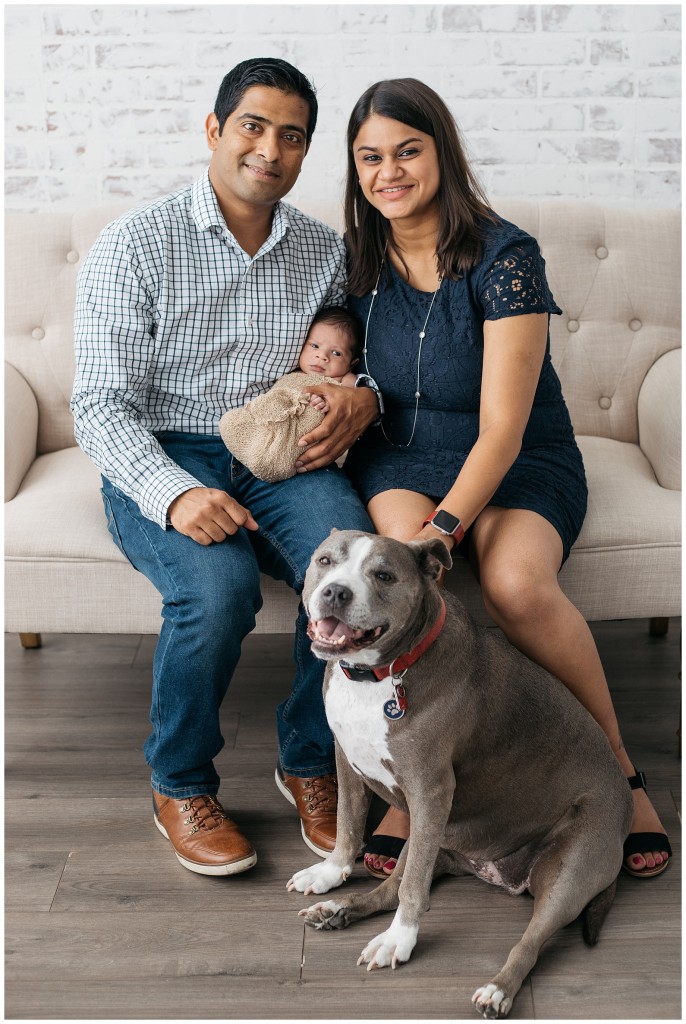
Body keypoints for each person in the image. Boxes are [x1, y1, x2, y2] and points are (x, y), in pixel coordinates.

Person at [294, 77, 671, 881]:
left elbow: (503, 425)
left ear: (442, 153)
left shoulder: (507, 259)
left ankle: (619, 770)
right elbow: (347, 365)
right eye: (369, 158)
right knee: (397, 581)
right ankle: (408, 782)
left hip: (521, 458)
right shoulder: (359, 260)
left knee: (514, 586)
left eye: (406, 151)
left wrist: (446, 529)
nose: (387, 172)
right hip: (404, 454)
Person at [71, 58, 380, 877]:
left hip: (281, 450)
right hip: (165, 450)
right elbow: (100, 405)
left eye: (292, 135)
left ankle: (311, 760)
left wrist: (365, 399)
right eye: (252, 125)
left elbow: (359, 356)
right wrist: (173, 494)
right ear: (214, 131)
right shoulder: (134, 243)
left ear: (306, 152)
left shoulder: (323, 252)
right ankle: (179, 783)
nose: (269, 149)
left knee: (352, 568)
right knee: (218, 590)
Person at [218, 306, 362, 481]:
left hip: (298, 439)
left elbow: (351, 402)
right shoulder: (294, 371)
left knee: (311, 413)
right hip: (271, 426)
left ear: (352, 363)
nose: (322, 356)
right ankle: (260, 453)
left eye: (336, 353)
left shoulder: (343, 379)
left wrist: (329, 402)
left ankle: (273, 461)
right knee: (230, 421)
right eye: (315, 346)